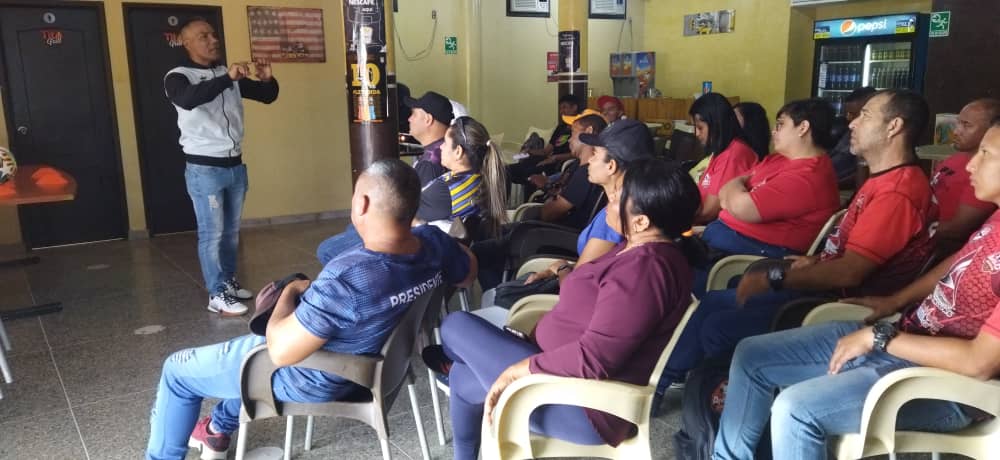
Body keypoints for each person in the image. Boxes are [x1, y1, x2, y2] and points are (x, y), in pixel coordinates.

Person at [145, 159, 475, 460]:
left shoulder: (349, 276)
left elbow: (280, 351)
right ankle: (217, 429)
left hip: (317, 376)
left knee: (177, 372)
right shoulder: (433, 242)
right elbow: (468, 273)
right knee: (241, 363)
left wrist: (287, 295)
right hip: (380, 366)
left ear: (361, 203)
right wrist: (443, 243)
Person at [712, 118, 1000, 460]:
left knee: (796, 409)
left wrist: (880, 338)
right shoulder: (995, 219)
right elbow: (956, 261)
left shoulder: (898, 190)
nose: (971, 164)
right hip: (906, 338)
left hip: (947, 386)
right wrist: (895, 301)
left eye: (985, 154)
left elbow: (979, 363)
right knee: (750, 355)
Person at [657, 90, 938, 393]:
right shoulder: (883, 180)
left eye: (865, 116)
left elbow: (850, 272)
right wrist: (814, 261)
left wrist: (775, 277)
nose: (852, 124)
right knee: (711, 303)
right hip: (819, 284)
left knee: (718, 324)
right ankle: (667, 382)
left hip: (837, 304)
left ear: (894, 126)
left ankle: (708, 392)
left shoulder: (896, 192)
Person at [425, 158, 702, 460]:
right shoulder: (636, 250)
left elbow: (595, 359)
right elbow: (595, 300)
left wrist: (517, 371)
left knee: (455, 326)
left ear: (642, 222)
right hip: (561, 377)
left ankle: (460, 359)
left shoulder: (646, 271)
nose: (609, 199)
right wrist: (563, 271)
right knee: (462, 377)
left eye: (617, 197)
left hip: (583, 404)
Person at [165, 18, 279, 316]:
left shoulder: (226, 74)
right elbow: (190, 99)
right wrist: (227, 78)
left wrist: (267, 79)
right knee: (212, 234)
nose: (213, 40)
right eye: (203, 36)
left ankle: (228, 281)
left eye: (213, 35)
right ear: (186, 43)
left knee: (230, 233)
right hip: (205, 170)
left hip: (235, 166)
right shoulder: (178, 77)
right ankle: (216, 294)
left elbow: (267, 96)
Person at [696, 99, 841, 295]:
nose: (773, 131)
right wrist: (735, 193)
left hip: (749, 258)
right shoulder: (778, 159)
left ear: (803, 128)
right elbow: (728, 192)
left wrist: (735, 192)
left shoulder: (808, 177)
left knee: (672, 278)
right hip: (722, 243)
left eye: (780, 125)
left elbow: (740, 206)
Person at [415, 116, 509, 239]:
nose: (441, 147)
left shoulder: (446, 191)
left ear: (458, 151)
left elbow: (404, 214)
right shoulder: (488, 177)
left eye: (445, 142)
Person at [930, 98, 1000, 251]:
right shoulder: (954, 159)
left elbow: (957, 229)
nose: (956, 131)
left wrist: (914, 230)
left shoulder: (983, 178)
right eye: (958, 123)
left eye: (967, 125)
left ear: (990, 130)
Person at [690, 93, 758, 225]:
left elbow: (709, 211)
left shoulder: (733, 155)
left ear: (716, 125)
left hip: (716, 226)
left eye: (700, 128)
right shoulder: (722, 152)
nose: (696, 134)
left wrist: (675, 221)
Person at [507, 94, 581, 194]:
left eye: (564, 107)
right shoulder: (561, 128)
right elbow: (546, 151)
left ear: (574, 107)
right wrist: (529, 151)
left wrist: (555, 158)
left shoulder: (580, 128)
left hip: (560, 164)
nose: (561, 111)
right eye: (560, 108)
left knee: (529, 173)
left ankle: (534, 198)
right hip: (548, 160)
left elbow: (579, 153)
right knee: (507, 170)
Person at [828, 87, 877, 188]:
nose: (848, 118)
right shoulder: (850, 130)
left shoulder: (876, 140)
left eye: (853, 114)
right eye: (847, 113)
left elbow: (860, 177)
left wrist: (831, 184)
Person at [406, 91, 455, 186]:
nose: (409, 119)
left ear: (428, 119)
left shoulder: (430, 162)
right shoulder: (450, 152)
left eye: (414, 114)